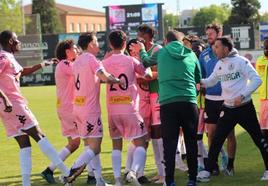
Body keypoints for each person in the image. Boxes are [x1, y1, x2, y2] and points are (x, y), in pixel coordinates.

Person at [0, 30, 75, 186]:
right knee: (39, 135)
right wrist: (5, 98)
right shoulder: (3, 57)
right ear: (10, 42)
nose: (19, 41)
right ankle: (67, 173)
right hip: (12, 103)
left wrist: (43, 64)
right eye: (16, 39)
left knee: (24, 143)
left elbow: (22, 72)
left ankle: (26, 183)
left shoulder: (9, 57)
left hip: (7, 106)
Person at [131, 30, 201, 186]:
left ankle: (169, 181)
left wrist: (141, 50)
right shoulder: (191, 54)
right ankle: (192, 180)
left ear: (166, 41)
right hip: (189, 102)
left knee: (169, 143)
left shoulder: (162, 53)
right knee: (191, 142)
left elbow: (146, 62)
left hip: (168, 103)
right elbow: (198, 79)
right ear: (181, 41)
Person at [197, 36, 268, 182]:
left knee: (258, 139)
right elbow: (211, 81)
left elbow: (256, 80)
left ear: (226, 48)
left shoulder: (241, 61)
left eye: (217, 46)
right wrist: (200, 82)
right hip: (227, 109)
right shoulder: (219, 64)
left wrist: (242, 96)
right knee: (216, 140)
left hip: (244, 108)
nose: (214, 49)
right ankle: (208, 171)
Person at [61, 32, 123, 185]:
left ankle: (99, 181)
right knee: (95, 146)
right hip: (90, 109)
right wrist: (118, 80)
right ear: (90, 44)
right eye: (95, 42)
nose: (98, 45)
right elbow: (105, 78)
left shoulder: (77, 61)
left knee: (90, 146)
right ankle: (70, 172)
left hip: (78, 108)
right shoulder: (91, 59)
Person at [40, 40, 101, 184]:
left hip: (64, 107)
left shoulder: (63, 65)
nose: (77, 51)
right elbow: (80, 69)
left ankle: (49, 170)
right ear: (67, 52)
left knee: (75, 143)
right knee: (88, 139)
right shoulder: (66, 64)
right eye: (74, 48)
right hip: (70, 108)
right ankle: (91, 176)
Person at [102, 30, 148, 186]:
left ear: (110, 44)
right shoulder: (131, 60)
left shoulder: (105, 63)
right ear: (124, 43)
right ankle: (133, 173)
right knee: (141, 143)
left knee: (116, 145)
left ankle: (117, 181)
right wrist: (140, 56)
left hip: (112, 110)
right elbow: (146, 74)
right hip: (130, 109)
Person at [199, 23, 236, 175]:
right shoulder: (204, 55)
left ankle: (230, 165)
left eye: (211, 33)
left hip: (227, 99)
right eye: (207, 34)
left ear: (219, 33)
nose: (208, 36)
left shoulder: (231, 53)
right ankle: (212, 165)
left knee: (230, 134)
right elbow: (201, 77)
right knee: (211, 134)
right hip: (210, 99)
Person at [137, 24, 165, 184]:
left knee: (158, 133)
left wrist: (145, 76)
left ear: (147, 35)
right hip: (146, 97)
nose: (139, 37)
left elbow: (160, 72)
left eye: (140, 34)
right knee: (151, 136)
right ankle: (159, 171)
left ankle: (165, 172)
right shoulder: (142, 50)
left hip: (157, 94)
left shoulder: (157, 50)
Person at [124, 38, 152, 184]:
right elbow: (147, 77)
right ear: (131, 48)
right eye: (137, 46)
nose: (142, 47)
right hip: (138, 106)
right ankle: (137, 173)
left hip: (143, 104)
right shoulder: (132, 62)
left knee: (138, 142)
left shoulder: (138, 61)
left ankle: (128, 171)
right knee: (141, 142)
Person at [256, 38, 268, 142]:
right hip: (263, 99)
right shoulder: (259, 60)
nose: (266, 49)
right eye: (265, 47)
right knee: (264, 128)